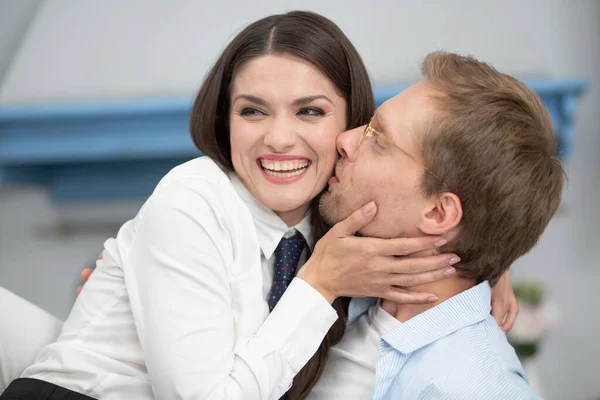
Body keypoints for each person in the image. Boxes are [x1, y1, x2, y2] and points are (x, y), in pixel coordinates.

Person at [0, 12, 517, 400]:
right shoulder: (195, 197)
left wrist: (487, 266)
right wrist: (321, 285)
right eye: (252, 111)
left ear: (348, 125)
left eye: (310, 111)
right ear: (224, 119)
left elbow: (445, 206)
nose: (279, 139)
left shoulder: (339, 225)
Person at [303, 51, 563, 399]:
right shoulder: (348, 290)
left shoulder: (475, 387)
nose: (345, 140)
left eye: (378, 139)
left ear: (438, 215)